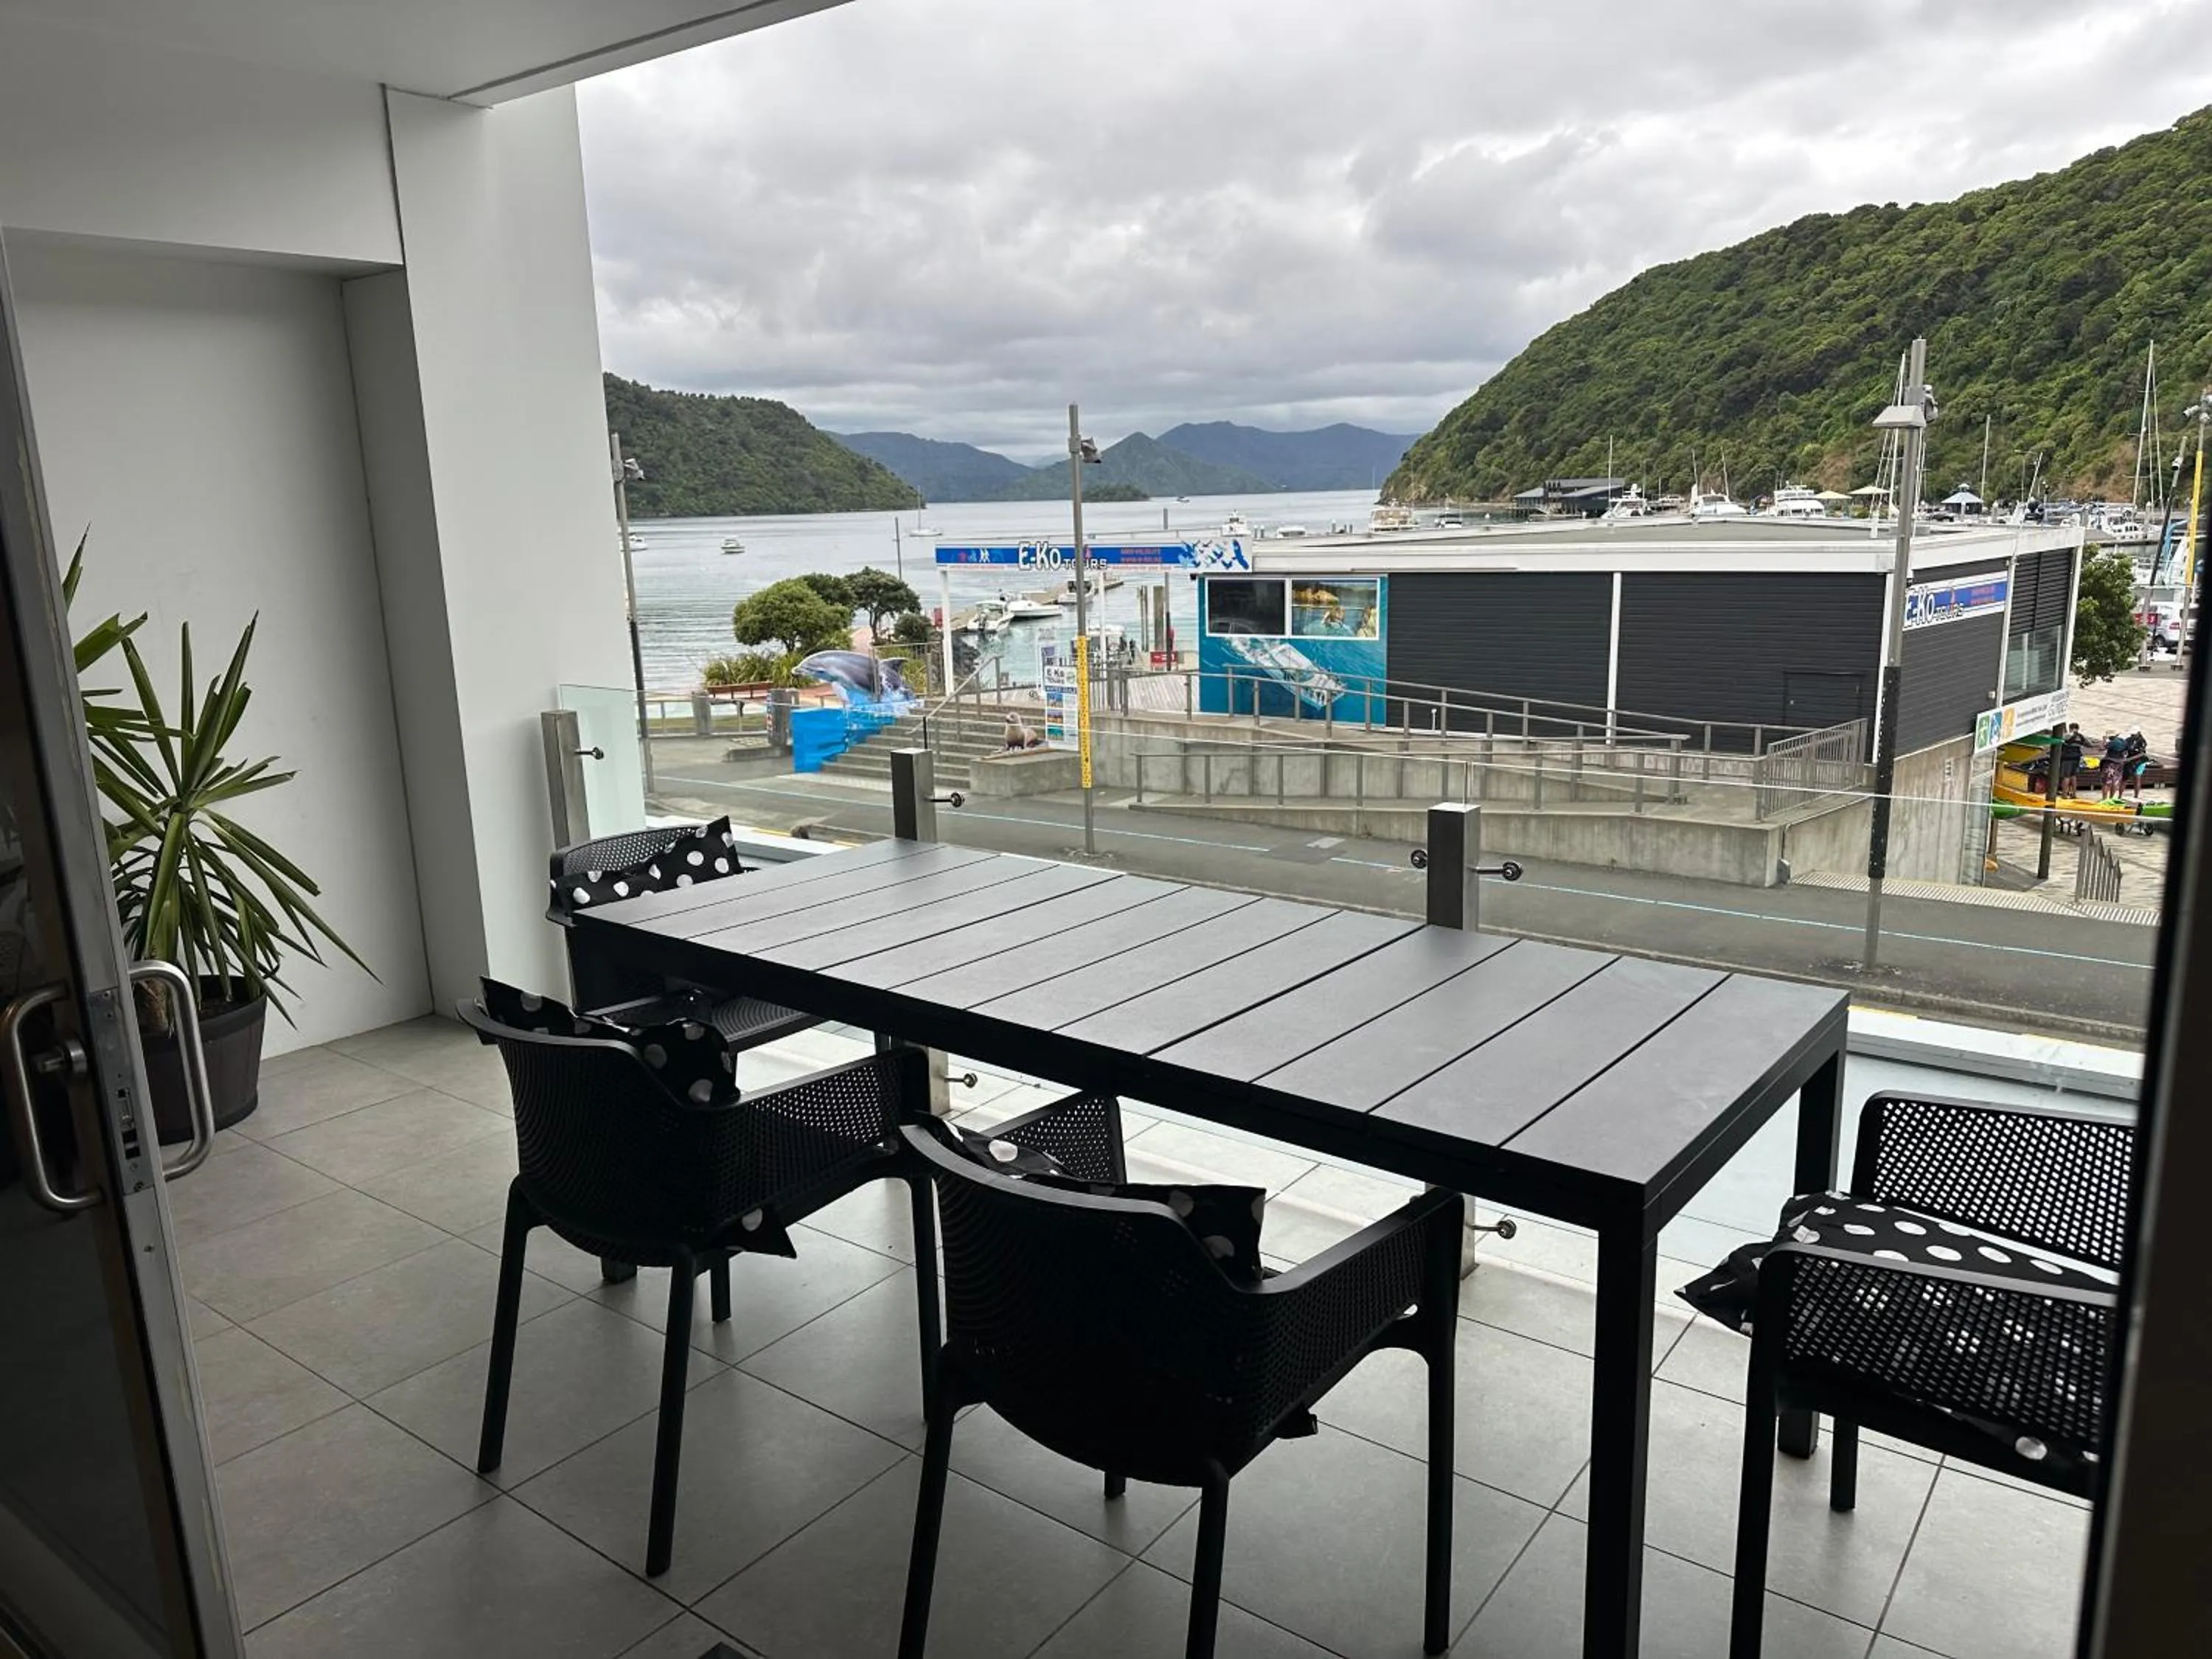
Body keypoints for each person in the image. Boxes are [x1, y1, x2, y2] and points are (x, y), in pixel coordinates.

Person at [2058, 724, 2086, 801]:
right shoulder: (2081, 736)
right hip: (2076, 758)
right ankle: (2074, 794)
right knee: (2073, 776)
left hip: (2067, 758)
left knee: (2066, 776)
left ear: (2070, 728)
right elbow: (2089, 744)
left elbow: (2060, 742)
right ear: (2078, 728)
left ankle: (2064, 795)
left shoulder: (2067, 735)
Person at [2124, 730, 2151, 798]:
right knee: (2126, 777)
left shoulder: (2142, 741)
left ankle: (2136, 795)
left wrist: (2130, 759)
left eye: (2134, 735)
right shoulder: (2128, 740)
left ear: (2138, 733)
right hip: (2130, 760)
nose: (2132, 736)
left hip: (2140, 761)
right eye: (2132, 735)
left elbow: (2142, 754)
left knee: (2137, 777)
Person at [2101, 731, 2128, 797]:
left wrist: (2104, 740)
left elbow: (2102, 748)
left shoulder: (2113, 743)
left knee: (2106, 782)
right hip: (2120, 762)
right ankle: (2112, 798)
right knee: (2115, 781)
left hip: (2111, 763)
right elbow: (2126, 751)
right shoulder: (2123, 741)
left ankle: (2104, 799)